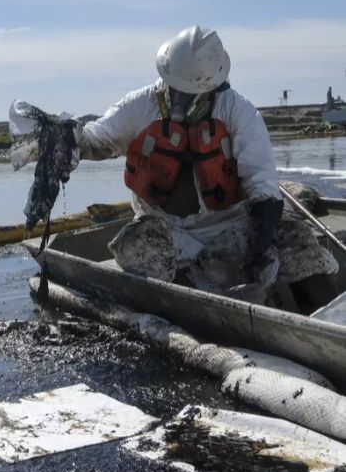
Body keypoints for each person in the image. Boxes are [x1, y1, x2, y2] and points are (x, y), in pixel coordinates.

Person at [70, 25, 338, 309]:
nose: (181, 98)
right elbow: (95, 139)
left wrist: (265, 243)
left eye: (191, 92)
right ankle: (183, 313)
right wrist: (67, 138)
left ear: (212, 86)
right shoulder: (140, 105)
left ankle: (329, 325)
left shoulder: (238, 111)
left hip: (231, 226)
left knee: (296, 239)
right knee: (136, 246)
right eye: (177, 89)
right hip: (166, 229)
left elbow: (263, 182)